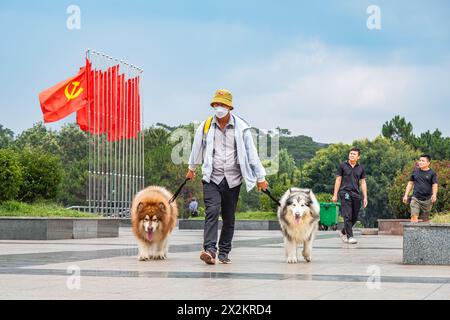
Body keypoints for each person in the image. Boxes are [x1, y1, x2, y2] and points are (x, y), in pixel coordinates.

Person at [186, 88, 268, 265]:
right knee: (212, 211)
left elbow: (251, 153)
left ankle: (224, 251)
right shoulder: (206, 125)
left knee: (229, 217)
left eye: (223, 104)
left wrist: (260, 177)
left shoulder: (242, 127)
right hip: (212, 178)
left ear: (230, 107)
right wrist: (191, 168)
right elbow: (196, 147)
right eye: (217, 104)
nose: (219, 107)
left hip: (232, 179)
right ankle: (209, 250)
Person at [332, 148, 368, 244]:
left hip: (356, 194)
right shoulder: (343, 166)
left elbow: (363, 183)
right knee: (347, 215)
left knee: (355, 217)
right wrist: (335, 194)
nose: (351, 155)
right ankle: (350, 237)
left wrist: (365, 197)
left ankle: (344, 231)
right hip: (345, 192)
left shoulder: (361, 168)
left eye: (354, 154)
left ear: (358, 157)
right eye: (350, 153)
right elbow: (338, 180)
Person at [402, 154, 438, 223]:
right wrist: (406, 195)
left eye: (423, 161)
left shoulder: (432, 173)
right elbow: (410, 183)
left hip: (427, 200)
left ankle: (424, 233)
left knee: (425, 219)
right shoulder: (415, 172)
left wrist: (434, 195)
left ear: (428, 163)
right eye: (420, 160)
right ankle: (414, 232)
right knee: (414, 216)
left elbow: (434, 185)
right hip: (416, 198)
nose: (420, 162)